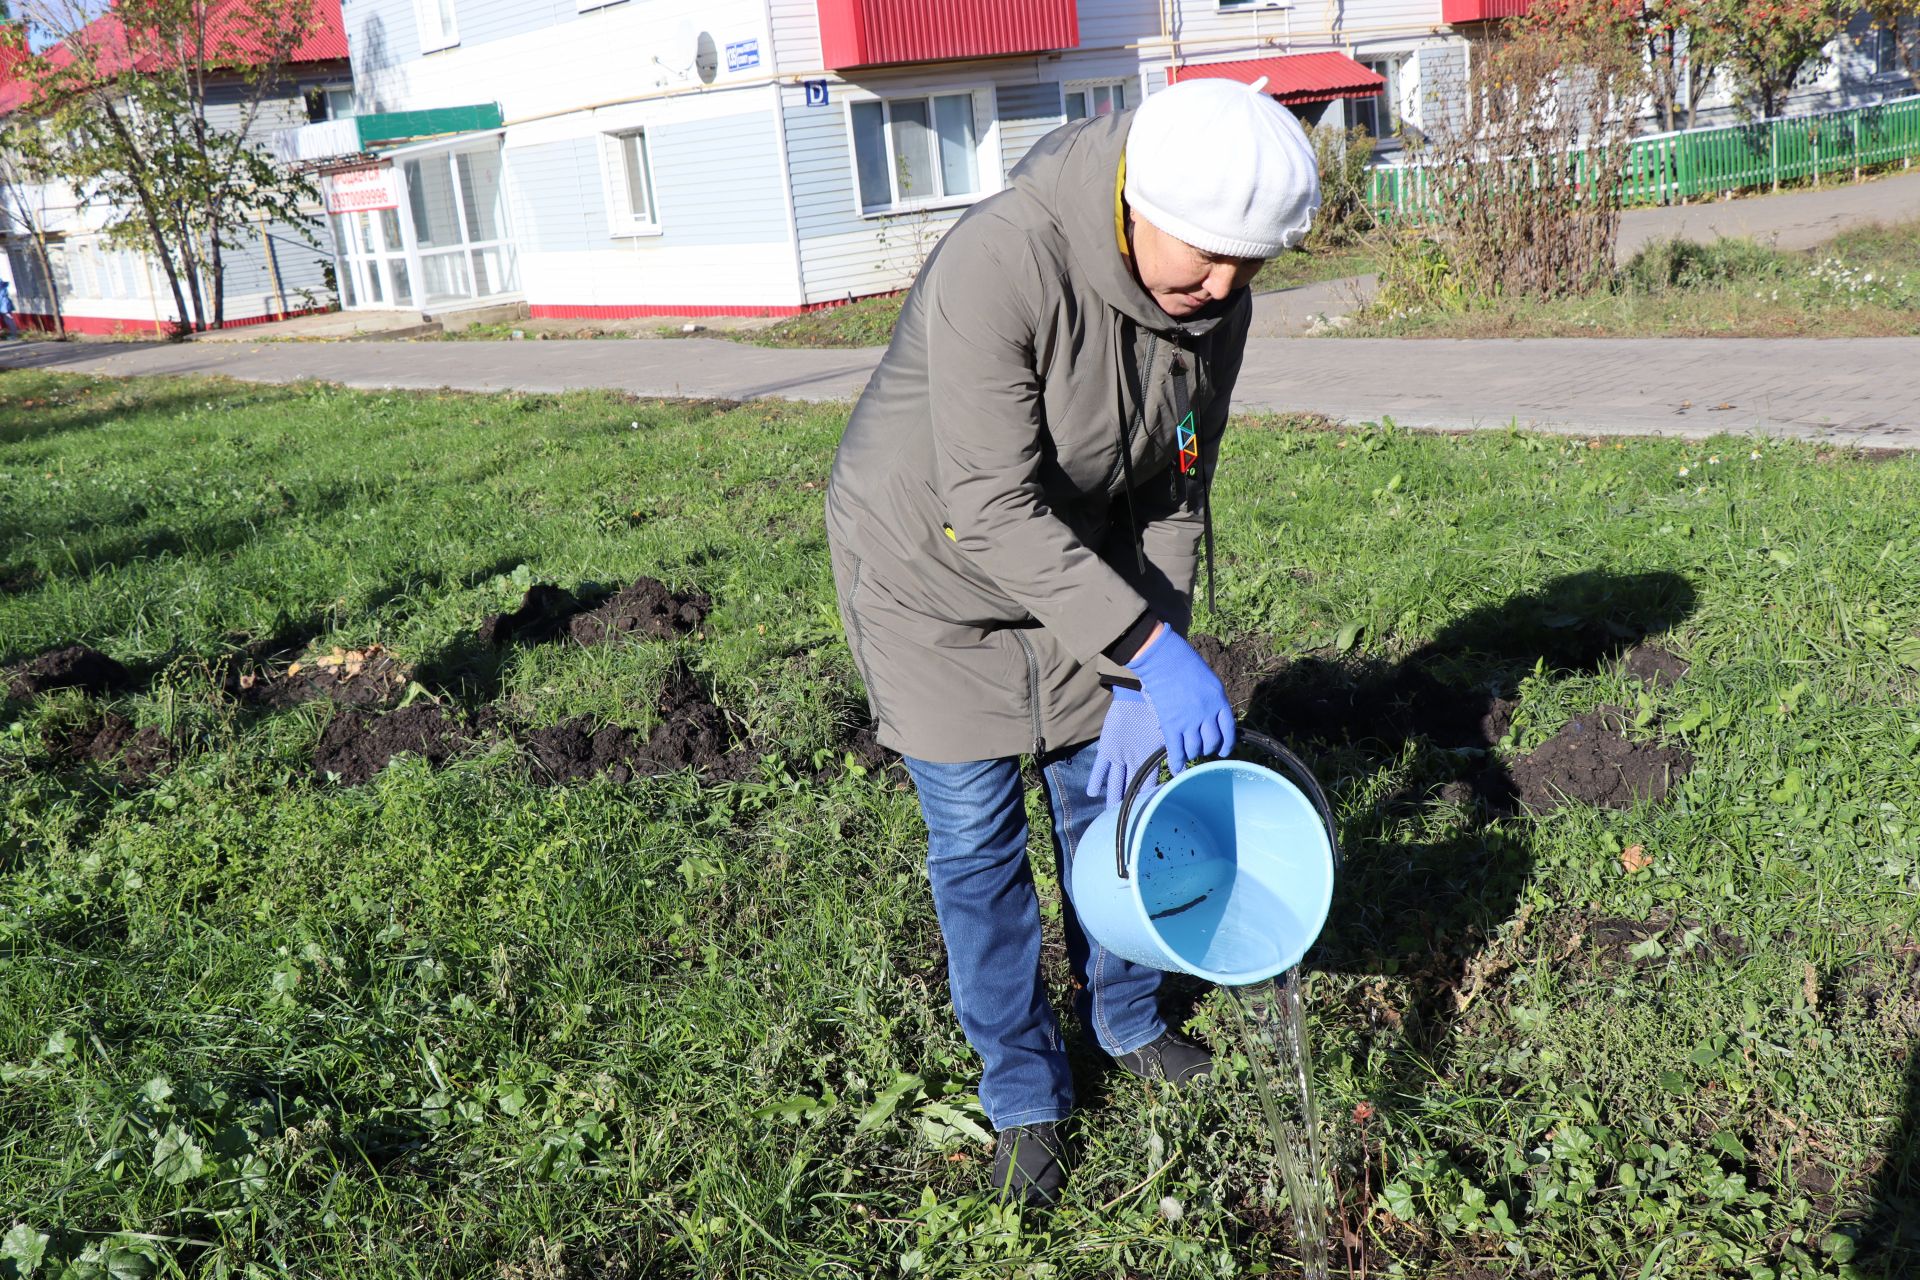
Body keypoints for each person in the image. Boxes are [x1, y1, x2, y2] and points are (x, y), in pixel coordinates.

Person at [825, 78, 1320, 1205]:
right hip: (929, 578)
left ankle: (1131, 1016)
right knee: (978, 846)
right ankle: (1024, 1090)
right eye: (1206, 258)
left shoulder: (1213, 302)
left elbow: (1178, 490)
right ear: (1136, 202)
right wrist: (1144, 645)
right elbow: (988, 508)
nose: (1228, 288)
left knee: (1113, 802)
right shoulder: (1002, 265)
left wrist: (1162, 642)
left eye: (1252, 265)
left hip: (1082, 574)